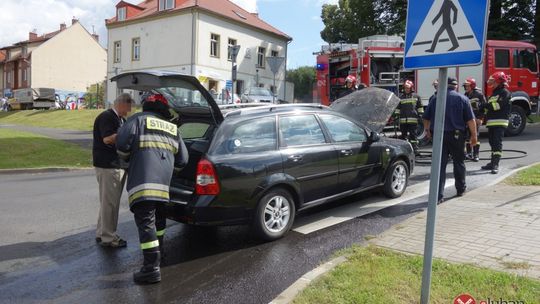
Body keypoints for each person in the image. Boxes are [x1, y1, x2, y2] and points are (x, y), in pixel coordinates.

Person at [116, 93, 188, 284]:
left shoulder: (136, 121)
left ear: (146, 106)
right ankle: (160, 253)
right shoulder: (173, 129)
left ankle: (151, 269)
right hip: (164, 188)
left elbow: (122, 148)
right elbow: (183, 161)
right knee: (159, 222)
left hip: (142, 185)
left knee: (146, 224)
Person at [423, 77, 477, 202]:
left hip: (439, 136)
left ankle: (438, 196)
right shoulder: (463, 99)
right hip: (457, 136)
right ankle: (460, 189)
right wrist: (474, 136)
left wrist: (427, 131)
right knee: (459, 162)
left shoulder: (435, 99)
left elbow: (426, 117)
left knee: (439, 166)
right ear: (456, 86)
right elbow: (470, 120)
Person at [92, 93, 133, 247]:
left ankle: (101, 233)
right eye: (128, 107)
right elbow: (107, 138)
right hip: (109, 166)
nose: (129, 111)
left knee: (107, 202)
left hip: (115, 165)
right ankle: (109, 238)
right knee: (111, 203)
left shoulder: (120, 119)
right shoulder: (107, 117)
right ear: (121, 104)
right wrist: (126, 133)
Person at [481, 72, 511, 174]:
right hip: (491, 123)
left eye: (493, 81)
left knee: (497, 143)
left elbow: (497, 106)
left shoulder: (505, 92)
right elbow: (489, 108)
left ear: (499, 81)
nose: (491, 83)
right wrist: (481, 114)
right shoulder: (494, 93)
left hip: (500, 122)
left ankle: (495, 164)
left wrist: (485, 105)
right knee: (492, 143)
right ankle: (492, 162)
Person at [395, 80, 423, 154]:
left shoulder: (416, 96)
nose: (406, 89)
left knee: (413, 136)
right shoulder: (401, 97)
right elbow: (398, 108)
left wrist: (420, 115)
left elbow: (420, 107)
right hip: (403, 121)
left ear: (411, 88)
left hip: (413, 120)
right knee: (403, 136)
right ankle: (404, 150)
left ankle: (415, 150)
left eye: (408, 88)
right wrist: (397, 116)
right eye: (405, 88)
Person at [463, 77, 487, 161]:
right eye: (465, 86)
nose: (466, 87)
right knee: (467, 137)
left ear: (472, 86)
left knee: (475, 136)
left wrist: (481, 118)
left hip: (476, 119)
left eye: (467, 86)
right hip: (467, 119)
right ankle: (469, 153)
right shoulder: (465, 95)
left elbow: (484, 107)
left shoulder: (479, 94)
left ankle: (476, 154)